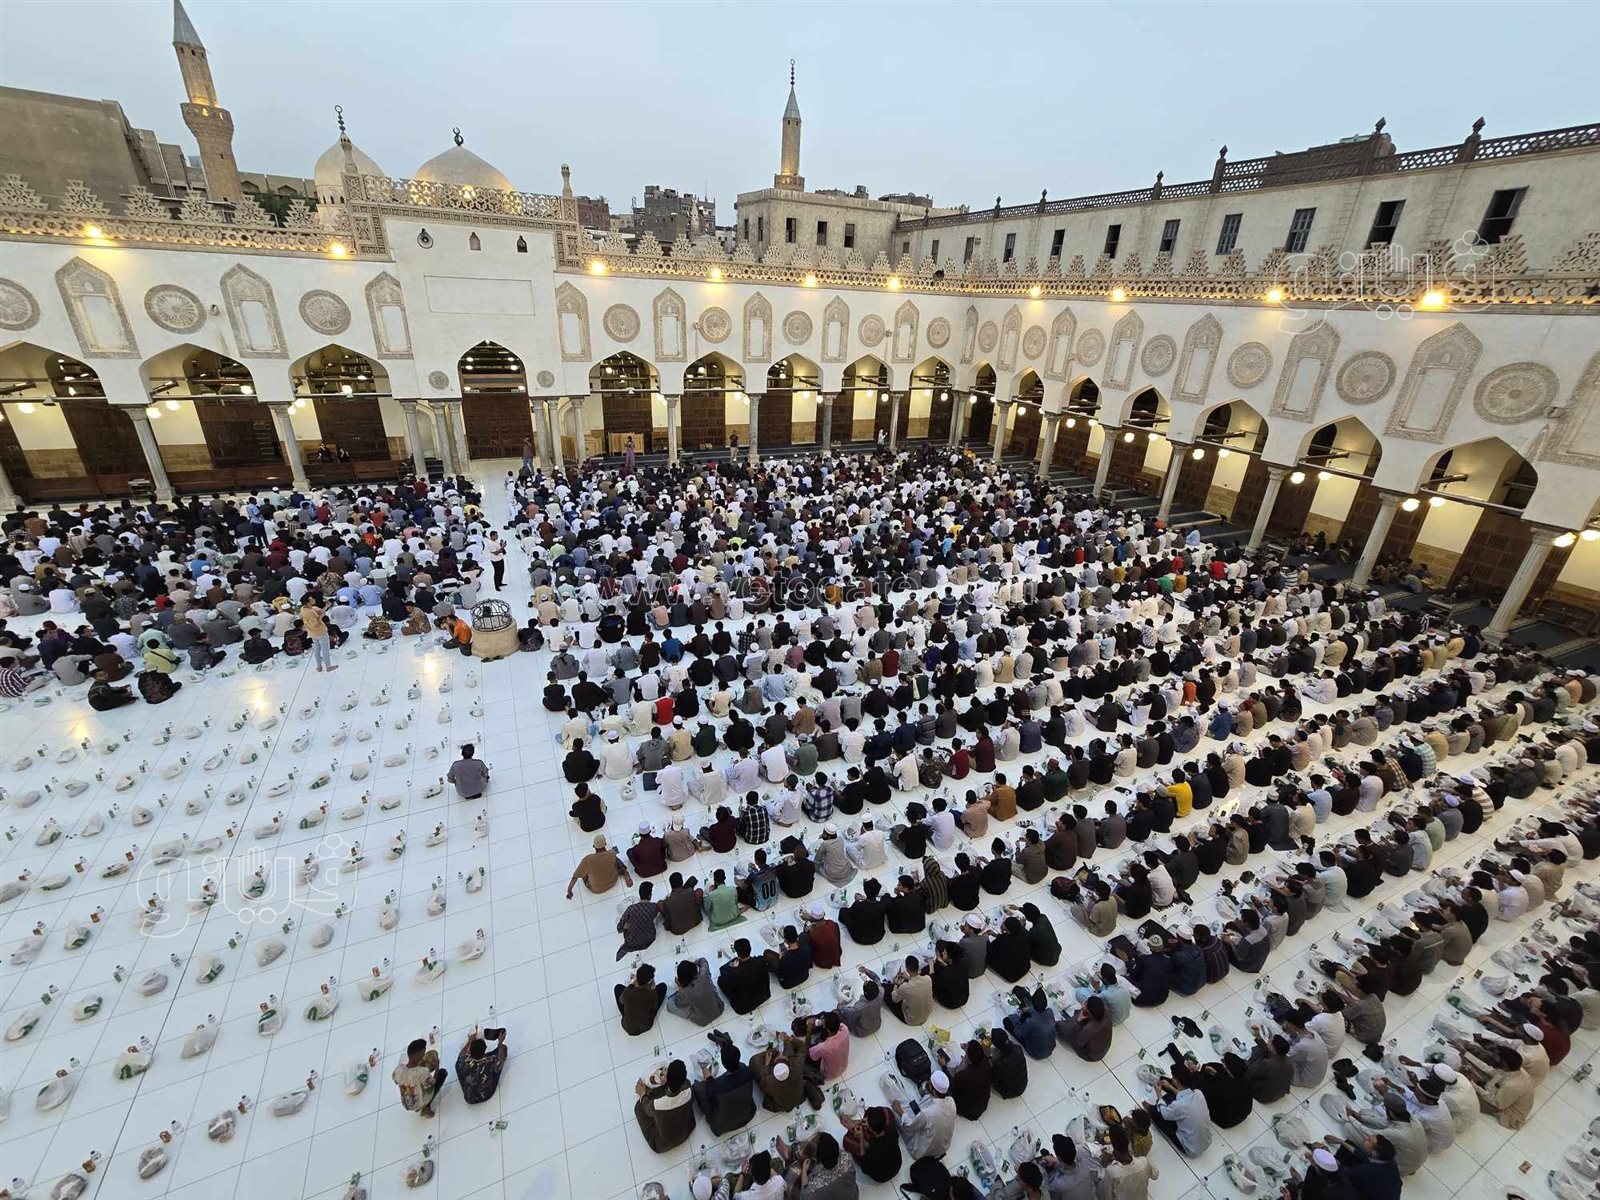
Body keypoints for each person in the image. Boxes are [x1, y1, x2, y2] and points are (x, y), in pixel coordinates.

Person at [392, 1035, 446, 1118]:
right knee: (442, 1073)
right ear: (418, 1054)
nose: (424, 1054)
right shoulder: (422, 1072)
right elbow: (430, 1088)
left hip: (406, 1102)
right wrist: (437, 1069)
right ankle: (426, 1107)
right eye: (423, 1053)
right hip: (419, 1102)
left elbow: (395, 1080)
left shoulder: (398, 1069)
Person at [565, 834, 632, 898]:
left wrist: (569, 890)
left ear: (594, 846)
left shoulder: (588, 859)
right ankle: (625, 872)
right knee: (615, 859)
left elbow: (575, 877)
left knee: (584, 872)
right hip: (613, 881)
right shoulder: (611, 853)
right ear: (605, 844)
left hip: (596, 889)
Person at [454, 1025, 508, 1103]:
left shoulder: (463, 1061)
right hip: (484, 1095)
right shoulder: (490, 1062)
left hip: (469, 1097)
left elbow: (461, 1055)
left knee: (459, 1066)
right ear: (484, 1052)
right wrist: (500, 1043)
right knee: (503, 1050)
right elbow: (502, 1059)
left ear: (470, 1051)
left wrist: (469, 1041)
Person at [616, 963, 667, 1035]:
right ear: (649, 981)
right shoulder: (651, 993)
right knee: (663, 987)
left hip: (627, 1025)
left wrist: (631, 984)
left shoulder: (628, 992)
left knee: (618, 988)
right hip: (645, 1025)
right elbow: (655, 1006)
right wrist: (654, 988)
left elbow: (621, 1001)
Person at [301, 594, 336, 673]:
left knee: (316, 649)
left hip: (312, 632)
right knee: (325, 649)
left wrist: (326, 606)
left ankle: (319, 666)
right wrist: (321, 616)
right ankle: (328, 666)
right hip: (320, 632)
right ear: (307, 602)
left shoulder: (304, 609)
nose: (313, 599)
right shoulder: (309, 612)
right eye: (311, 599)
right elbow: (315, 623)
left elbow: (320, 611)